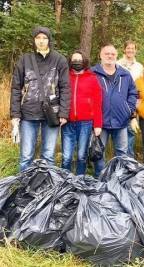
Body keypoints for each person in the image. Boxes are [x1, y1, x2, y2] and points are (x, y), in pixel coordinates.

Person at [10, 26, 70, 171]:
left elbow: (65, 87)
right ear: (34, 40)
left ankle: (48, 189)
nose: (41, 41)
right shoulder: (25, 60)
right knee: (26, 156)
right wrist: (15, 115)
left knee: (48, 156)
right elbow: (16, 88)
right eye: (38, 38)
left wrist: (63, 113)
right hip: (28, 113)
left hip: (52, 113)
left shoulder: (59, 60)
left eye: (44, 38)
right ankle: (25, 188)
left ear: (49, 40)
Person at [91, 44, 137, 177]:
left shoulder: (125, 74)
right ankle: (100, 179)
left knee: (122, 152)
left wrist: (129, 109)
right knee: (99, 152)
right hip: (101, 122)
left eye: (112, 54)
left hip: (121, 120)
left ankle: (120, 178)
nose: (110, 56)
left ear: (116, 56)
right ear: (101, 55)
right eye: (107, 54)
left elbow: (133, 93)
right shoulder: (93, 73)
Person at [61, 51, 102, 175]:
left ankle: (80, 181)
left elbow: (97, 103)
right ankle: (64, 182)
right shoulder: (65, 77)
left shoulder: (92, 78)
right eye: (74, 60)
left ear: (84, 62)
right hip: (67, 122)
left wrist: (98, 124)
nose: (77, 63)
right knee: (66, 157)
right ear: (70, 62)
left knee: (81, 156)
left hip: (85, 122)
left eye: (79, 60)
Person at [117, 40, 143, 158]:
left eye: (133, 48)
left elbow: (141, 85)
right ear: (124, 49)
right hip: (120, 100)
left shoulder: (139, 66)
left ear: (135, 51)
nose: (130, 50)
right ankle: (120, 159)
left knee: (131, 131)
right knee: (121, 129)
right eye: (128, 48)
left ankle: (130, 159)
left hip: (134, 101)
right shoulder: (118, 64)